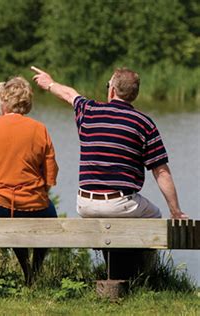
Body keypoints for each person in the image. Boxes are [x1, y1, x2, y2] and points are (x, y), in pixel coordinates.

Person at [31, 66, 188, 220]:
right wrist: (175, 211)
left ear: (112, 90)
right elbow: (161, 171)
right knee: (155, 216)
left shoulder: (89, 110)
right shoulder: (143, 123)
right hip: (120, 204)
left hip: (85, 204)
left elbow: (69, 94)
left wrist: (49, 83)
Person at [0, 76, 59, 285]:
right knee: (50, 216)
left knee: (12, 212)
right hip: (31, 204)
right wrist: (36, 191)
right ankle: (34, 271)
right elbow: (50, 175)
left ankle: (26, 267)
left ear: (5, 103)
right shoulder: (39, 129)